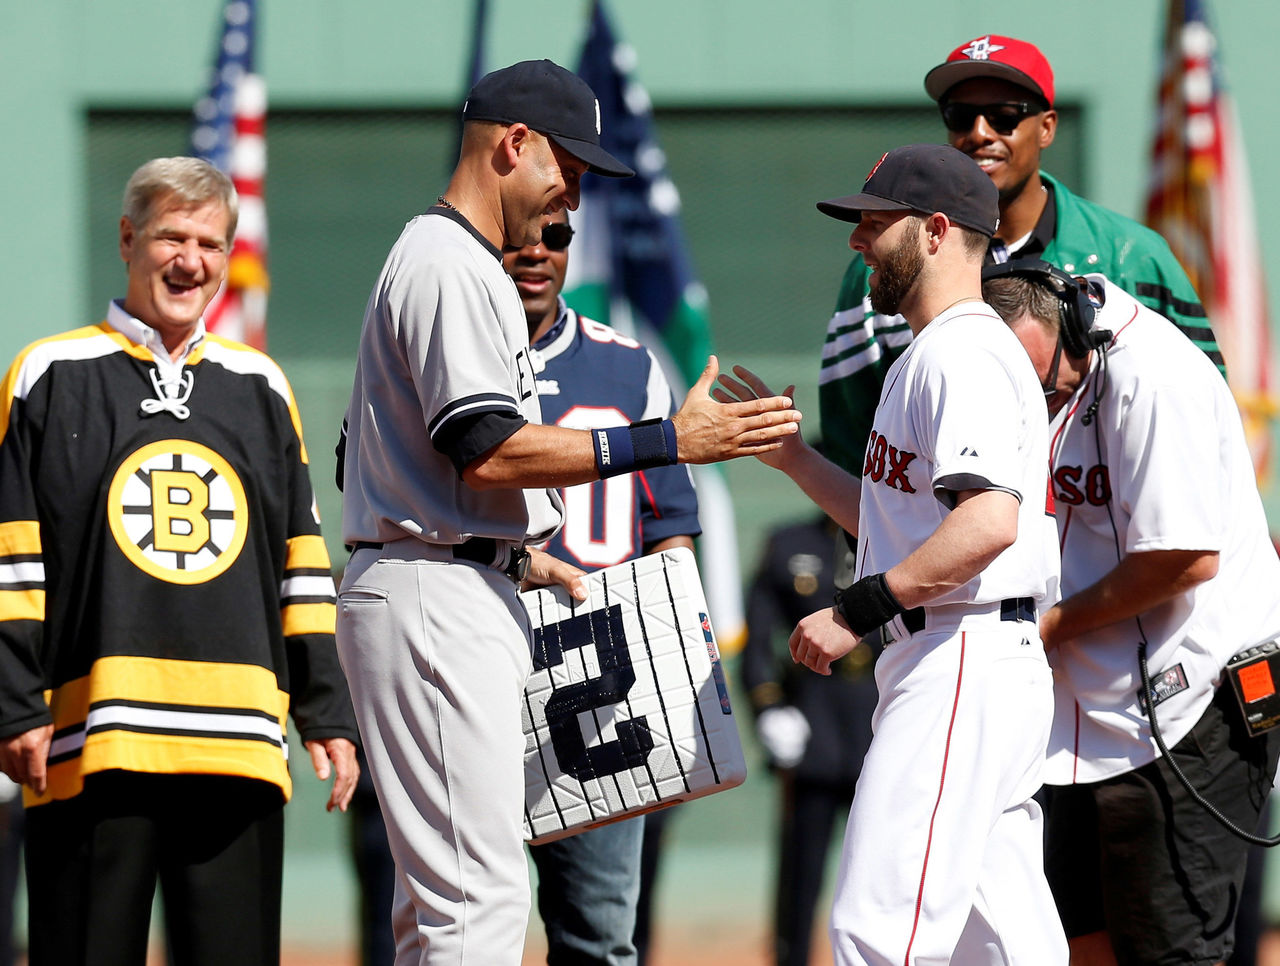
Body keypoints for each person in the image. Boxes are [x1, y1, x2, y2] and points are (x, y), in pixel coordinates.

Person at [334, 59, 800, 966]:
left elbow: (437, 462)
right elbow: (487, 445)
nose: (569, 202)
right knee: (481, 897)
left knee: (445, 905)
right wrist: (666, 439)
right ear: (515, 144)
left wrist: (521, 554)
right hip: (437, 589)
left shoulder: (447, 259)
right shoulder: (449, 261)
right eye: (569, 170)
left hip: (450, 573)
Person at [0, 156, 359, 966]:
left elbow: (299, 562)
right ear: (128, 239)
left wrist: (327, 713)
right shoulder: (46, 375)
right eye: (171, 236)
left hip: (235, 742)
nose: (190, 260)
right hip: (91, 740)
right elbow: (10, 550)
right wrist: (14, 701)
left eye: (210, 243)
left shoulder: (261, 387)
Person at [718, 142, 1066, 966]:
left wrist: (854, 609)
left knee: (880, 931)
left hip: (960, 653)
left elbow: (987, 523)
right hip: (972, 655)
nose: (857, 240)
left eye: (874, 222)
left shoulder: (963, 351)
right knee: (1004, 941)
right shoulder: (935, 353)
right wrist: (797, 459)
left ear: (938, 230)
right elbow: (896, 521)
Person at [982, 259, 1280, 966]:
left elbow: (1182, 559)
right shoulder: (1049, 380)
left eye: (1035, 369)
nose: (1031, 392)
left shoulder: (1152, 379)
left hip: (1189, 711)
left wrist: (1047, 628)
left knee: (1168, 948)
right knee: (1072, 938)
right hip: (1084, 715)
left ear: (1076, 326)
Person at [817, 33, 1220, 478]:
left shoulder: (1133, 256)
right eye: (960, 115)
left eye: (1005, 116)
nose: (980, 133)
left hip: (1109, 538)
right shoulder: (883, 264)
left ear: (1046, 127)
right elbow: (854, 436)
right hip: (946, 538)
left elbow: (1204, 406)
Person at [505, 207, 702, 965]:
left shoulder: (627, 365)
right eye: (517, 235)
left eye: (556, 237)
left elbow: (670, 528)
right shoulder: (442, 358)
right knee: (457, 926)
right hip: (470, 659)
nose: (535, 252)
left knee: (597, 933)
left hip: (595, 684)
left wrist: (673, 681)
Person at [738, 509, 877, 966]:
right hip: (813, 733)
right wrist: (769, 708)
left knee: (885, 875)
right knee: (800, 876)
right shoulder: (787, 541)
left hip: (881, 732)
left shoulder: (899, 537)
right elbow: (757, 640)